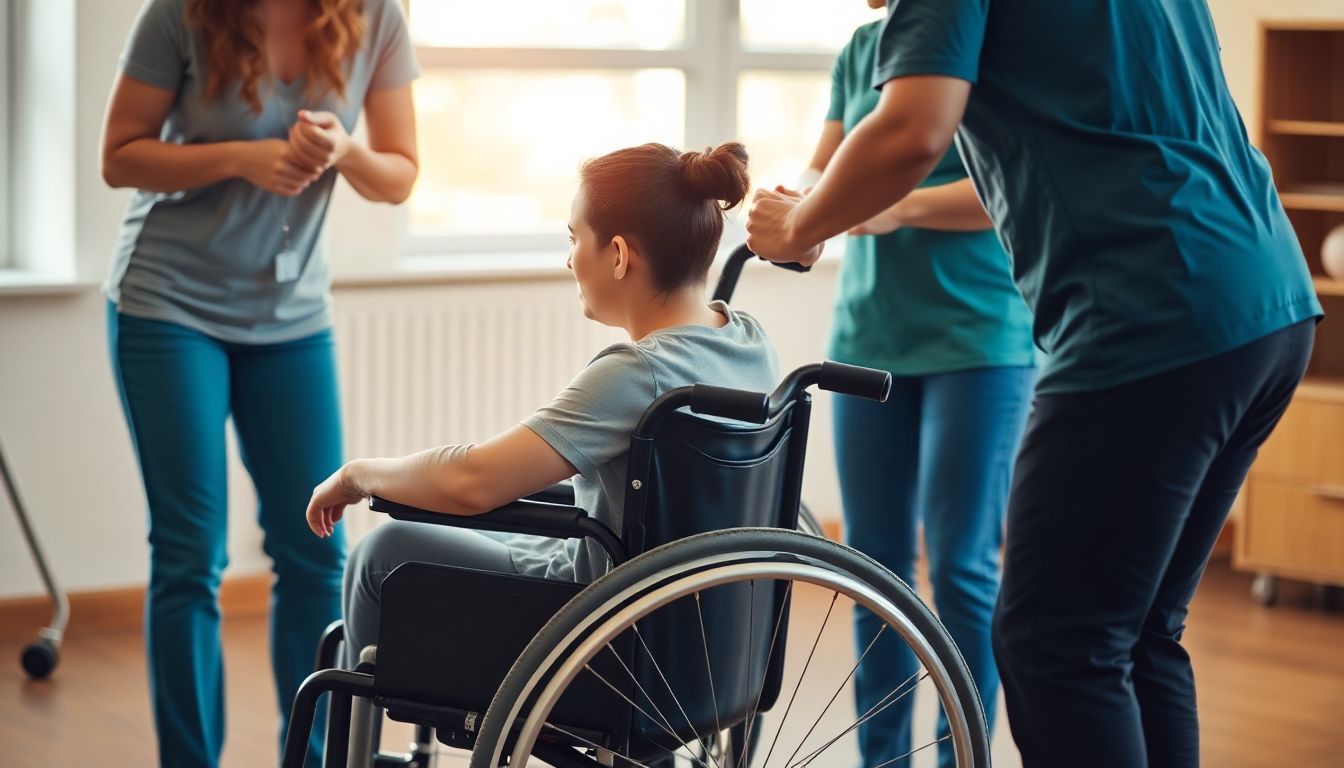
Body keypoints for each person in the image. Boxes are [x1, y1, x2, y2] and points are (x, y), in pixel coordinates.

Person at [744, 1, 1321, 766]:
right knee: (1141, 632)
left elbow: (914, 126)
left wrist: (802, 225)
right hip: (1265, 301)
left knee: (1057, 644)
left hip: (1149, 315)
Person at [303, 140, 779, 669]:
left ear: (618, 255)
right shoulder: (749, 343)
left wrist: (356, 475)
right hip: (711, 641)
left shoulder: (638, 373)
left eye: (575, 239)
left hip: (601, 632)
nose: (569, 258)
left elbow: (473, 480)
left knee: (382, 552)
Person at [100, 0, 418, 765]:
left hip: (292, 316)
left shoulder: (376, 15)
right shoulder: (180, 14)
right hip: (169, 306)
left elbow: (399, 175)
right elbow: (120, 156)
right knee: (189, 555)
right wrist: (239, 156)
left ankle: (306, 758)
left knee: (314, 545)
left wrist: (343, 149)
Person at [794, 4, 1035, 766]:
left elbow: (1010, 186)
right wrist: (799, 205)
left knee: (963, 564)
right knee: (872, 567)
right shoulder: (861, 49)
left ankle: (960, 753)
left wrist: (897, 207)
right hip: (869, 340)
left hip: (982, 341)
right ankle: (883, 759)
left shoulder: (991, 40)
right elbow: (827, 167)